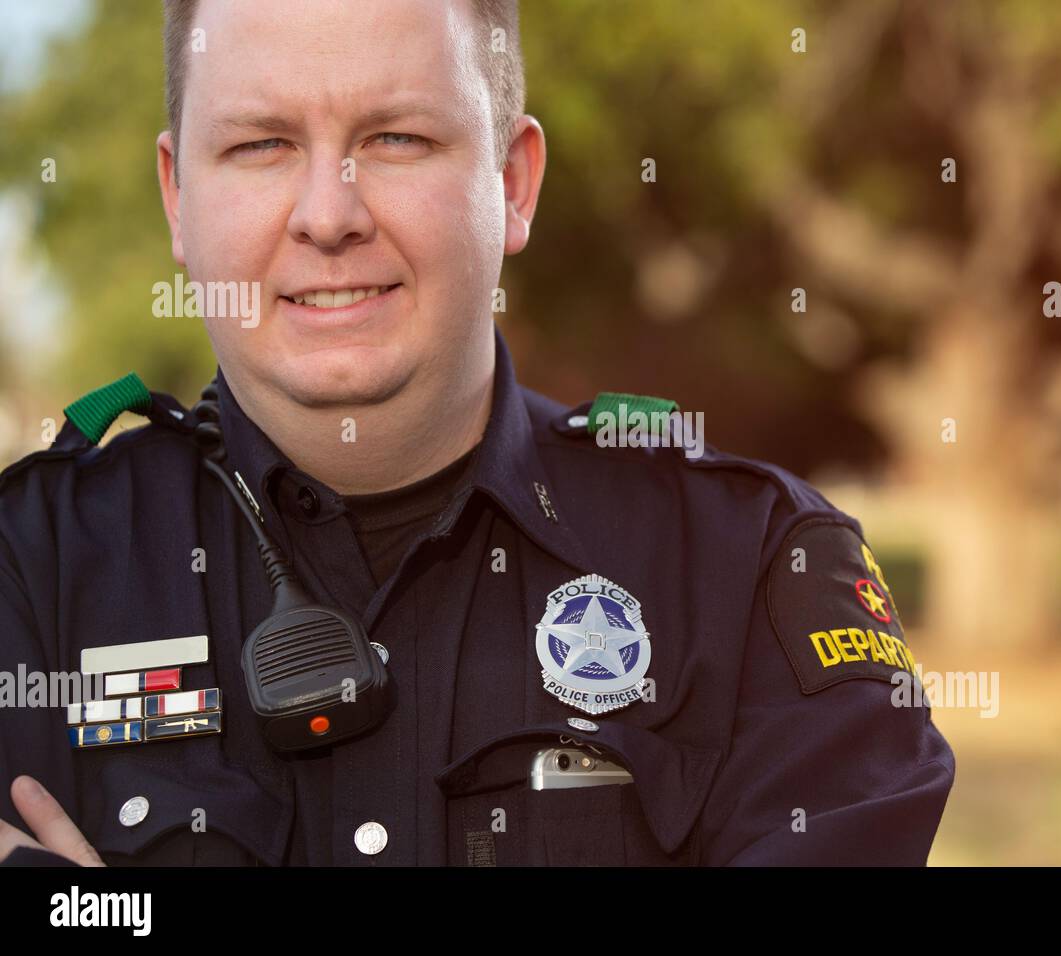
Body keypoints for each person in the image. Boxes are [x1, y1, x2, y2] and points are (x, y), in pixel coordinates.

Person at [0, 0, 954, 866]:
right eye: (261, 145)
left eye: (398, 137)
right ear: (178, 197)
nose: (329, 215)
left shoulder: (751, 571)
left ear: (515, 183)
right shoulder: (28, 570)